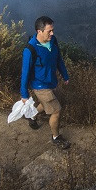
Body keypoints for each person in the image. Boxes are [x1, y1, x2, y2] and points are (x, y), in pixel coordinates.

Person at [19, 15, 71, 149]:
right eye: (49, 31)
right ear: (39, 31)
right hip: (40, 85)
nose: (52, 33)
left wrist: (65, 75)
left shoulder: (53, 41)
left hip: (51, 81)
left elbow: (58, 58)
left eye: (52, 30)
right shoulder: (30, 50)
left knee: (45, 104)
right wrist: (24, 94)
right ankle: (55, 137)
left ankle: (32, 117)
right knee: (56, 111)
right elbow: (25, 73)